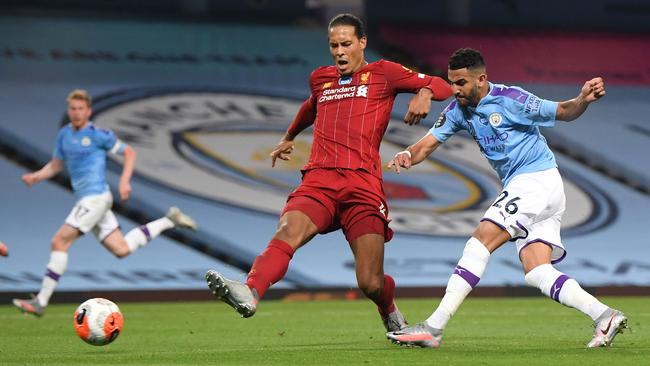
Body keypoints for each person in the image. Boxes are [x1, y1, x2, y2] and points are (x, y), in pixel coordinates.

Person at [205, 13, 452, 332]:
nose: (339, 51)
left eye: (346, 44)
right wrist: (289, 136)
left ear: (362, 43)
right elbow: (311, 107)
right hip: (319, 179)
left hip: (362, 185)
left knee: (370, 282)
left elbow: (441, 84)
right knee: (286, 231)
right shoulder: (321, 79)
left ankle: (387, 308)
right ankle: (251, 291)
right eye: (334, 45)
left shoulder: (384, 73)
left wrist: (425, 93)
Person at [385, 48, 627, 348]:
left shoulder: (512, 100)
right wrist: (408, 153)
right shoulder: (458, 110)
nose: (454, 89)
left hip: (534, 181)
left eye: (461, 83)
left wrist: (582, 100)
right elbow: (428, 144)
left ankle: (433, 328)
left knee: (479, 241)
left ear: (481, 79)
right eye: (451, 82)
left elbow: (562, 111)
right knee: (537, 271)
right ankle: (605, 316)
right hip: (540, 189)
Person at [13, 89, 198, 317]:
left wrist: (124, 182)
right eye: (73, 108)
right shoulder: (64, 135)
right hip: (88, 200)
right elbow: (56, 165)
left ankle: (41, 301)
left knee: (59, 241)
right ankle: (169, 220)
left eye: (81, 109)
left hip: (96, 197)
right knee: (121, 249)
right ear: (69, 110)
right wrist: (36, 176)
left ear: (88, 111)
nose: (77, 113)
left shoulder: (100, 135)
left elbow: (129, 152)